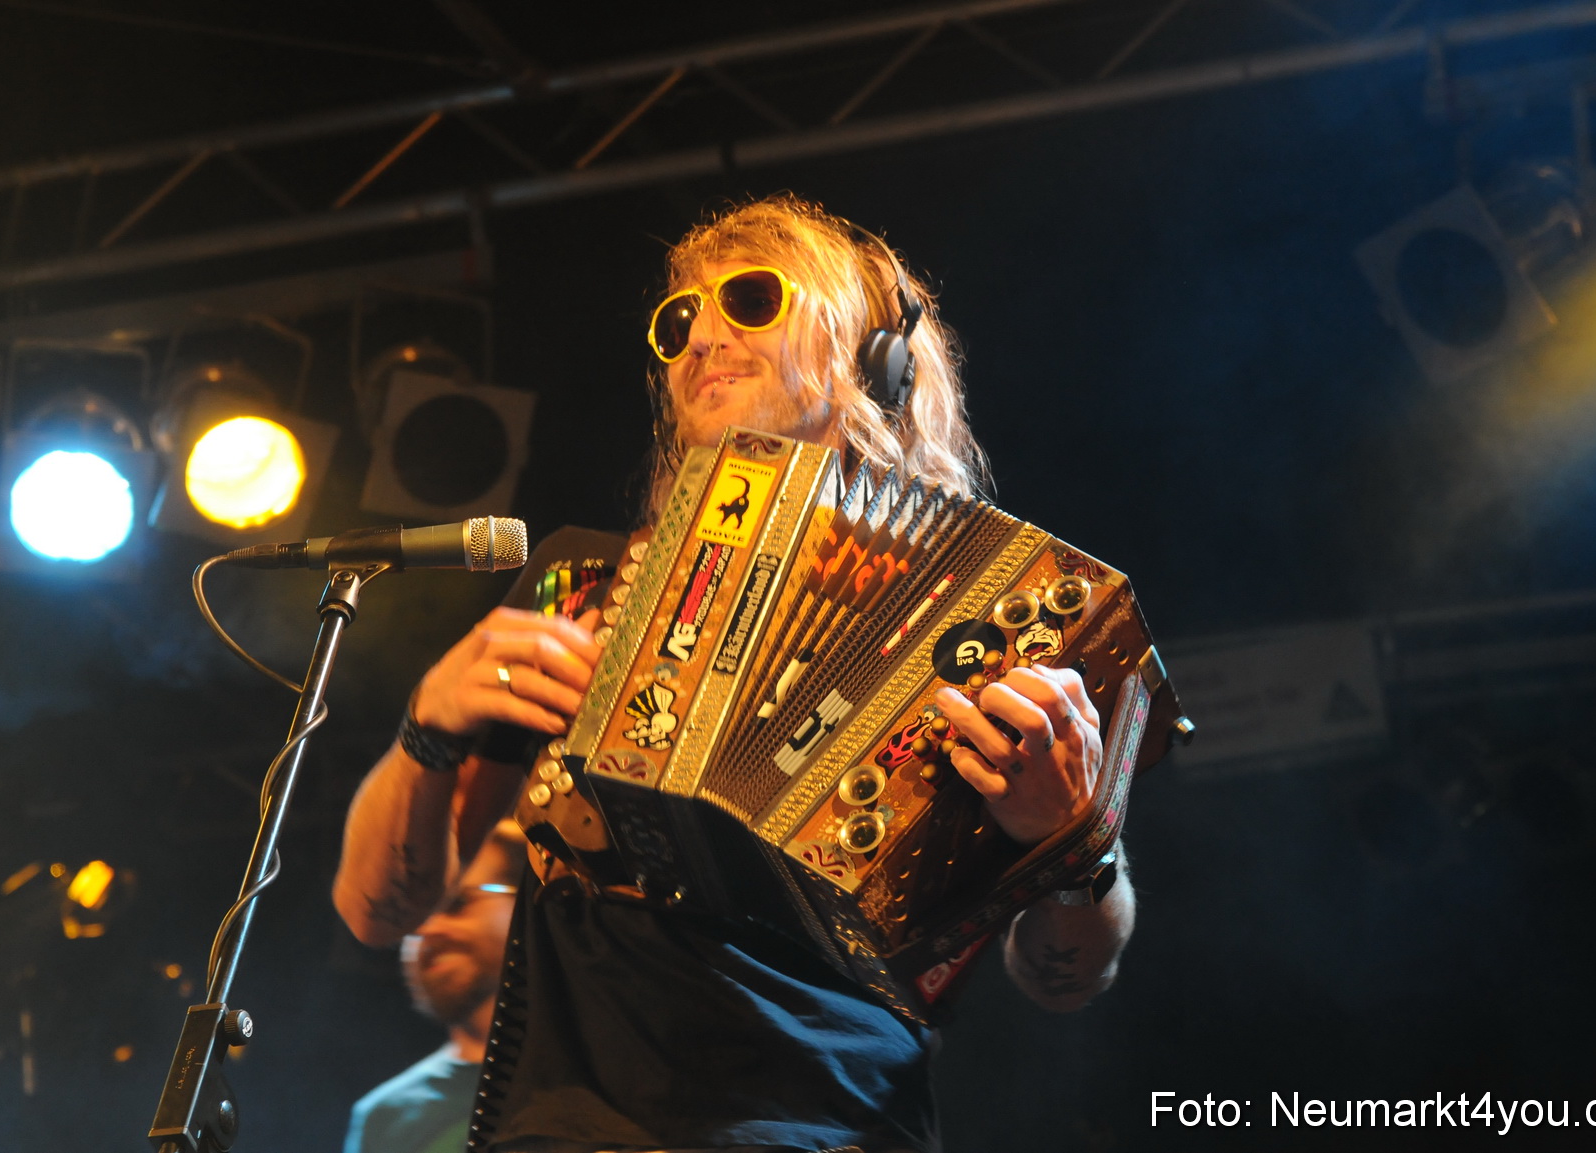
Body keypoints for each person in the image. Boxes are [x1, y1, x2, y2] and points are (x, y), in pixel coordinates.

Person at [334, 195, 1136, 1153]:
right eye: (677, 323)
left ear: (868, 352)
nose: (701, 338)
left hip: (830, 1130)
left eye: (750, 300)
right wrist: (426, 726)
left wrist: (1077, 842)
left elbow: (1066, 977)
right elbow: (377, 913)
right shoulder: (579, 581)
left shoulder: (997, 613)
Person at [343, 823, 526, 1153]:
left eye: (457, 903)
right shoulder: (384, 1117)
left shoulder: (609, 1067)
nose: (429, 930)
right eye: (413, 918)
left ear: (527, 904)